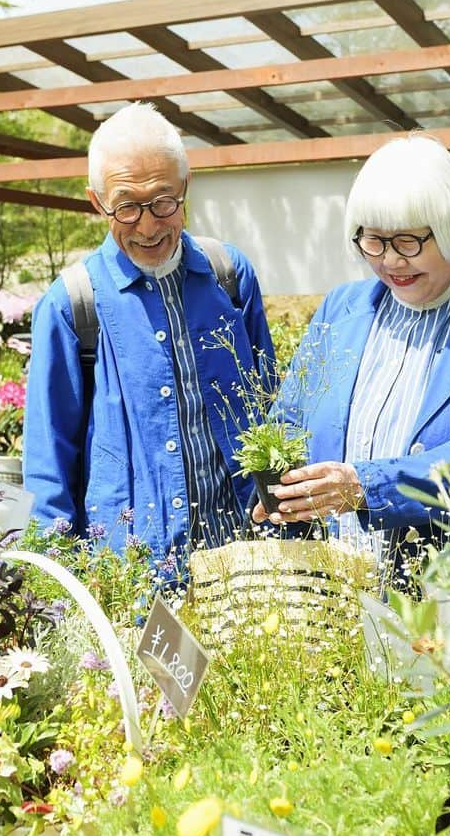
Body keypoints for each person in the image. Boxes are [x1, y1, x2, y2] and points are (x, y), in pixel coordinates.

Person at [252, 133, 450, 571]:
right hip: (335, 590)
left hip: (447, 598)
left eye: (408, 242)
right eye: (373, 241)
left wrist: (367, 486)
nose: (390, 261)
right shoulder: (341, 309)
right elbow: (290, 422)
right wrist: (279, 489)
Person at [24, 102, 275, 564]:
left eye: (163, 202)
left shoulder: (229, 275)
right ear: (96, 202)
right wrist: (52, 587)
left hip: (244, 555)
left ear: (185, 186)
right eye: (126, 207)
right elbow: (48, 469)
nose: (148, 225)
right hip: (134, 574)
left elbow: (272, 408)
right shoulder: (71, 303)